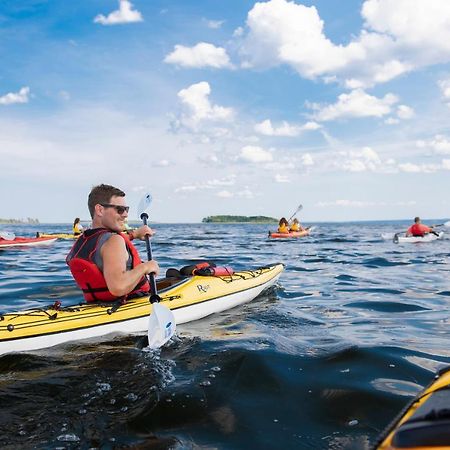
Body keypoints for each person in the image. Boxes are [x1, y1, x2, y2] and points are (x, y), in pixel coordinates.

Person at [66, 184, 159, 302]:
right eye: (120, 209)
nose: (125, 214)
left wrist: (134, 234)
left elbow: (105, 246)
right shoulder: (114, 241)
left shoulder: (84, 239)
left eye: (126, 209)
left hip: (98, 306)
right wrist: (146, 267)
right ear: (100, 210)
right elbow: (118, 287)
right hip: (128, 304)